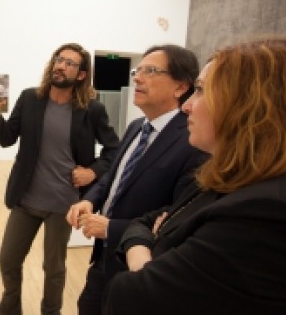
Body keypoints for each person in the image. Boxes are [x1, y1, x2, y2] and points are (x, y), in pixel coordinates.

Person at [104, 37, 286, 314]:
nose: (187, 106)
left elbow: (130, 298)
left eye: (200, 91)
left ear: (250, 104)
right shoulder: (232, 177)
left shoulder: (272, 213)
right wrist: (147, 239)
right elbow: (146, 220)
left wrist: (143, 255)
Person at [0, 43, 120, 315]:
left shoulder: (92, 109)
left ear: (80, 74)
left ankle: (50, 312)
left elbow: (114, 149)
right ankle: (10, 306)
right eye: (59, 59)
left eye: (69, 63)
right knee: (8, 258)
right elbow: (7, 138)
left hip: (63, 204)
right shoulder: (30, 98)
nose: (60, 65)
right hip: (26, 197)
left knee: (53, 268)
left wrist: (93, 171)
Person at [66, 44, 208, 315]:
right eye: (137, 70)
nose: (137, 78)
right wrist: (90, 200)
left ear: (180, 87)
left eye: (151, 71)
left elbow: (177, 218)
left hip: (140, 271)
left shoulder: (192, 142)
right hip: (102, 261)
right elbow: (113, 176)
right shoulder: (135, 127)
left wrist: (112, 228)